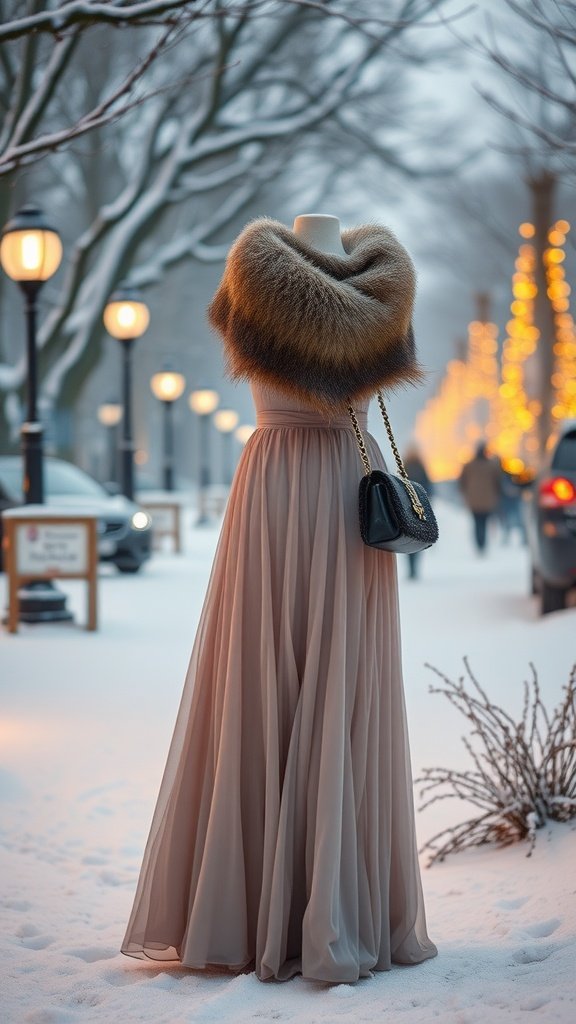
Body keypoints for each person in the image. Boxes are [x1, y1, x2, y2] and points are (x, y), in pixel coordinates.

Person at [121, 214, 437, 983]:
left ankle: (258, 901)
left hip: (274, 489)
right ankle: (329, 904)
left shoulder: (249, 282)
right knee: (332, 681)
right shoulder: (384, 297)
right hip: (341, 491)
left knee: (257, 684)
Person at [458, 442, 502, 553]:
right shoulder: (492, 466)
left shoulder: (469, 465)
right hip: (488, 499)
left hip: (473, 500)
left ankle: (479, 543)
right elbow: (498, 482)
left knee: (477, 522)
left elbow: (462, 481)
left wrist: (465, 493)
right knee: (484, 521)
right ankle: (482, 543)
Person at [402, 445, 434, 579]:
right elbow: (428, 485)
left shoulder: (404, 466)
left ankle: (410, 568)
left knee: (409, 536)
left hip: (406, 506)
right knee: (419, 536)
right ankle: (415, 567)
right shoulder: (421, 466)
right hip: (420, 506)